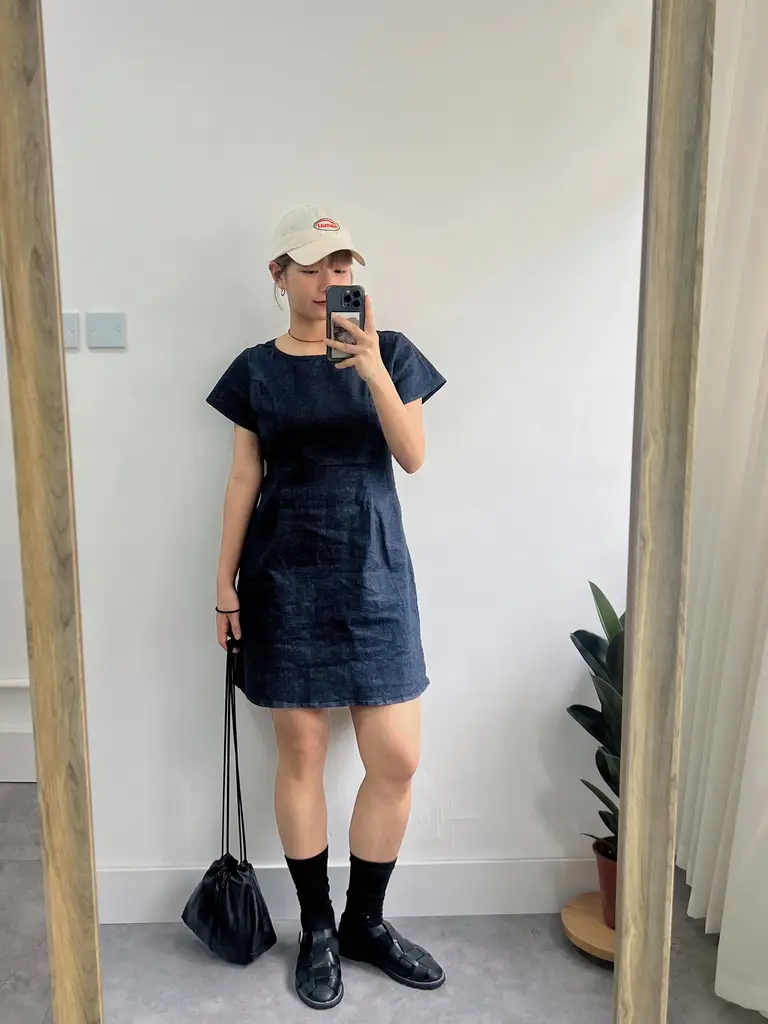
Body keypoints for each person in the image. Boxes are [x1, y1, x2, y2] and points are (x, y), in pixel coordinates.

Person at [206, 206, 446, 1010]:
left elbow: (412, 456)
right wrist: (224, 582)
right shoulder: (255, 370)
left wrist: (371, 368)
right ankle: (317, 929)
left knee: (397, 760)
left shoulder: (393, 352)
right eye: (311, 267)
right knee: (302, 757)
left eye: (341, 266)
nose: (329, 280)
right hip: (285, 580)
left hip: (375, 577)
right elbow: (244, 478)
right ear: (279, 276)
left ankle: (364, 923)